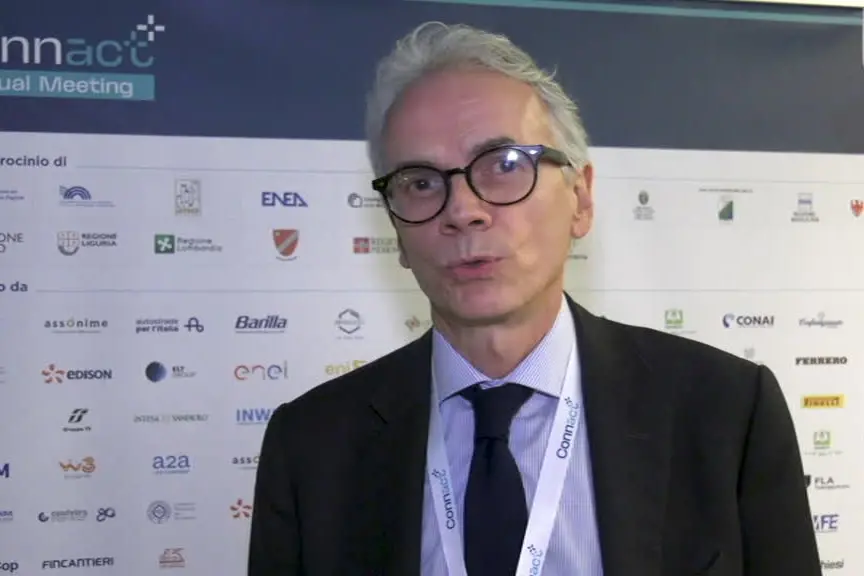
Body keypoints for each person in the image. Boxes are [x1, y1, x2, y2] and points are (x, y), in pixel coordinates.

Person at [248, 21, 820, 576]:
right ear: (395, 230)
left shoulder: (726, 413)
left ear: (581, 199)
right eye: (420, 182)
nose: (463, 210)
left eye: (504, 165)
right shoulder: (311, 446)